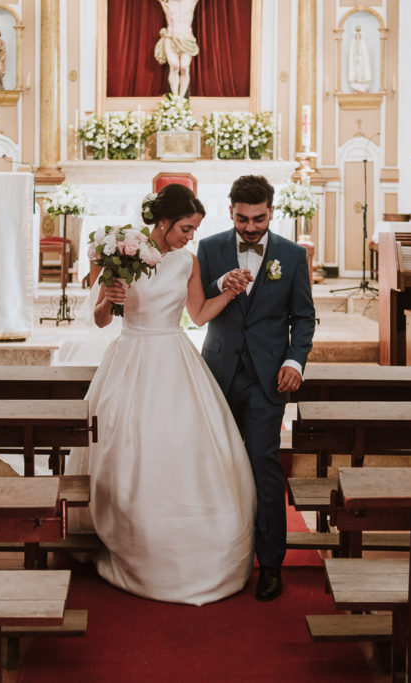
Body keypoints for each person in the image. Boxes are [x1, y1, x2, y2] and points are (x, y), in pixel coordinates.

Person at [65, 183, 257, 606]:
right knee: (130, 449)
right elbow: (100, 319)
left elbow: (198, 314)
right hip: (131, 358)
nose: (191, 237)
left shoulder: (186, 262)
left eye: (195, 230)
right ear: (163, 221)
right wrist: (109, 299)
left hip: (174, 357)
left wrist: (227, 292)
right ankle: (133, 537)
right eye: (186, 228)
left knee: (185, 449)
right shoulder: (124, 253)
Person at [197, 175, 317, 601]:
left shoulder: (292, 255)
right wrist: (219, 286)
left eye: (259, 218)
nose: (250, 227)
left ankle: (270, 564)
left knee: (262, 463)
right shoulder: (209, 248)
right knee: (218, 467)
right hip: (219, 373)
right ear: (230, 210)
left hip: (268, 378)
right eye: (243, 218)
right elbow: (196, 304)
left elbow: (303, 317)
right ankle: (220, 555)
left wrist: (293, 361)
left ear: (271, 210)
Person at [154, 0, 199, 97]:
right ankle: (175, 98)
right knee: (174, 66)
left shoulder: (191, 1)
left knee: (184, 67)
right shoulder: (167, 2)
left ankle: (181, 99)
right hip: (171, 38)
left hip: (186, 39)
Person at [348, 25, 373, 93]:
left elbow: (364, 53)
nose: (357, 38)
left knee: (361, 70)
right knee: (356, 70)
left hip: (362, 60)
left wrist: (360, 54)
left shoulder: (362, 44)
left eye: (358, 37)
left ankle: (362, 82)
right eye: (356, 37)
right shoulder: (353, 43)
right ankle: (357, 82)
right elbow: (352, 53)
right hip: (355, 60)